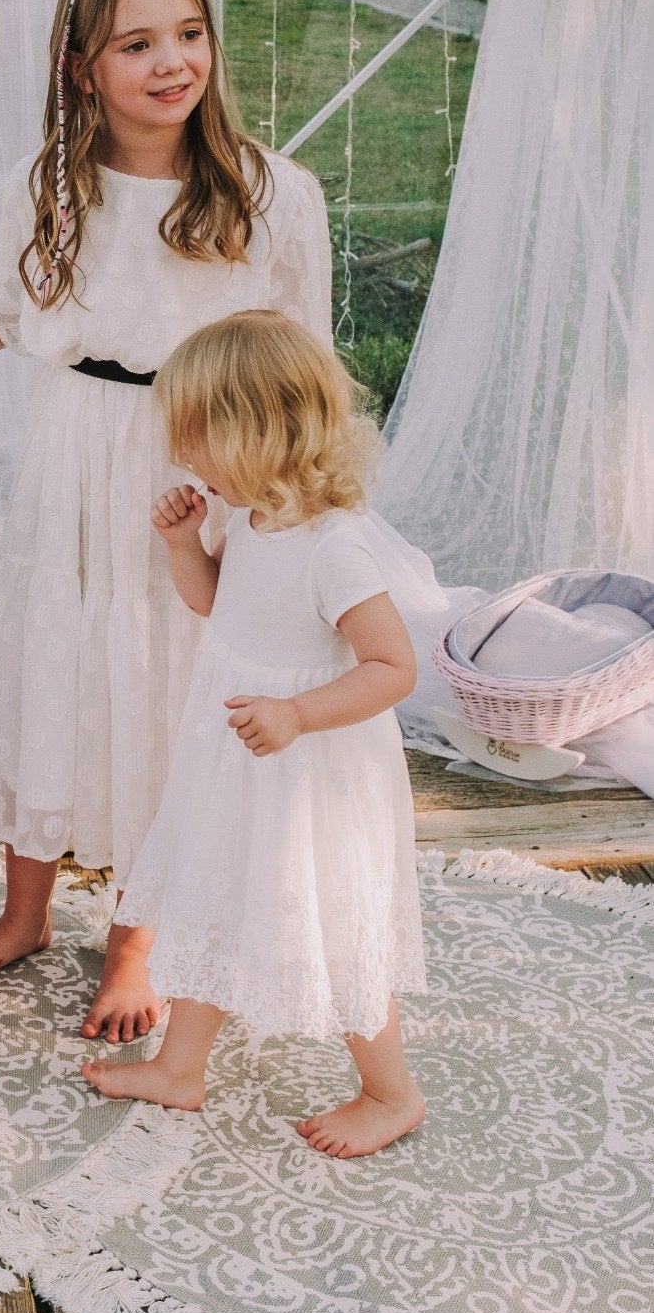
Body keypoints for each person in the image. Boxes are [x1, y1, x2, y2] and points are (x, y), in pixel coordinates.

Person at [0, 0, 332, 1042]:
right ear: (82, 66)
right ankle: (22, 911)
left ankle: (136, 934)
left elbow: (302, 356)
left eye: (189, 33)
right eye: (137, 43)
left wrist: (290, 498)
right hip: (75, 456)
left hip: (202, 458)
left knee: (166, 680)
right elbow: (10, 307)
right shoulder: (55, 186)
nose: (173, 62)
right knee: (53, 662)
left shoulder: (268, 191)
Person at [83, 310, 426, 1158]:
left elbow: (392, 668)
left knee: (329, 924)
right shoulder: (249, 520)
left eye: (195, 441)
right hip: (237, 759)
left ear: (257, 432)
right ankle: (179, 1068)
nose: (184, 460)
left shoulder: (334, 549)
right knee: (213, 896)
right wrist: (180, 543)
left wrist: (298, 714)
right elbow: (214, 605)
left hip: (307, 772)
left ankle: (390, 1092)